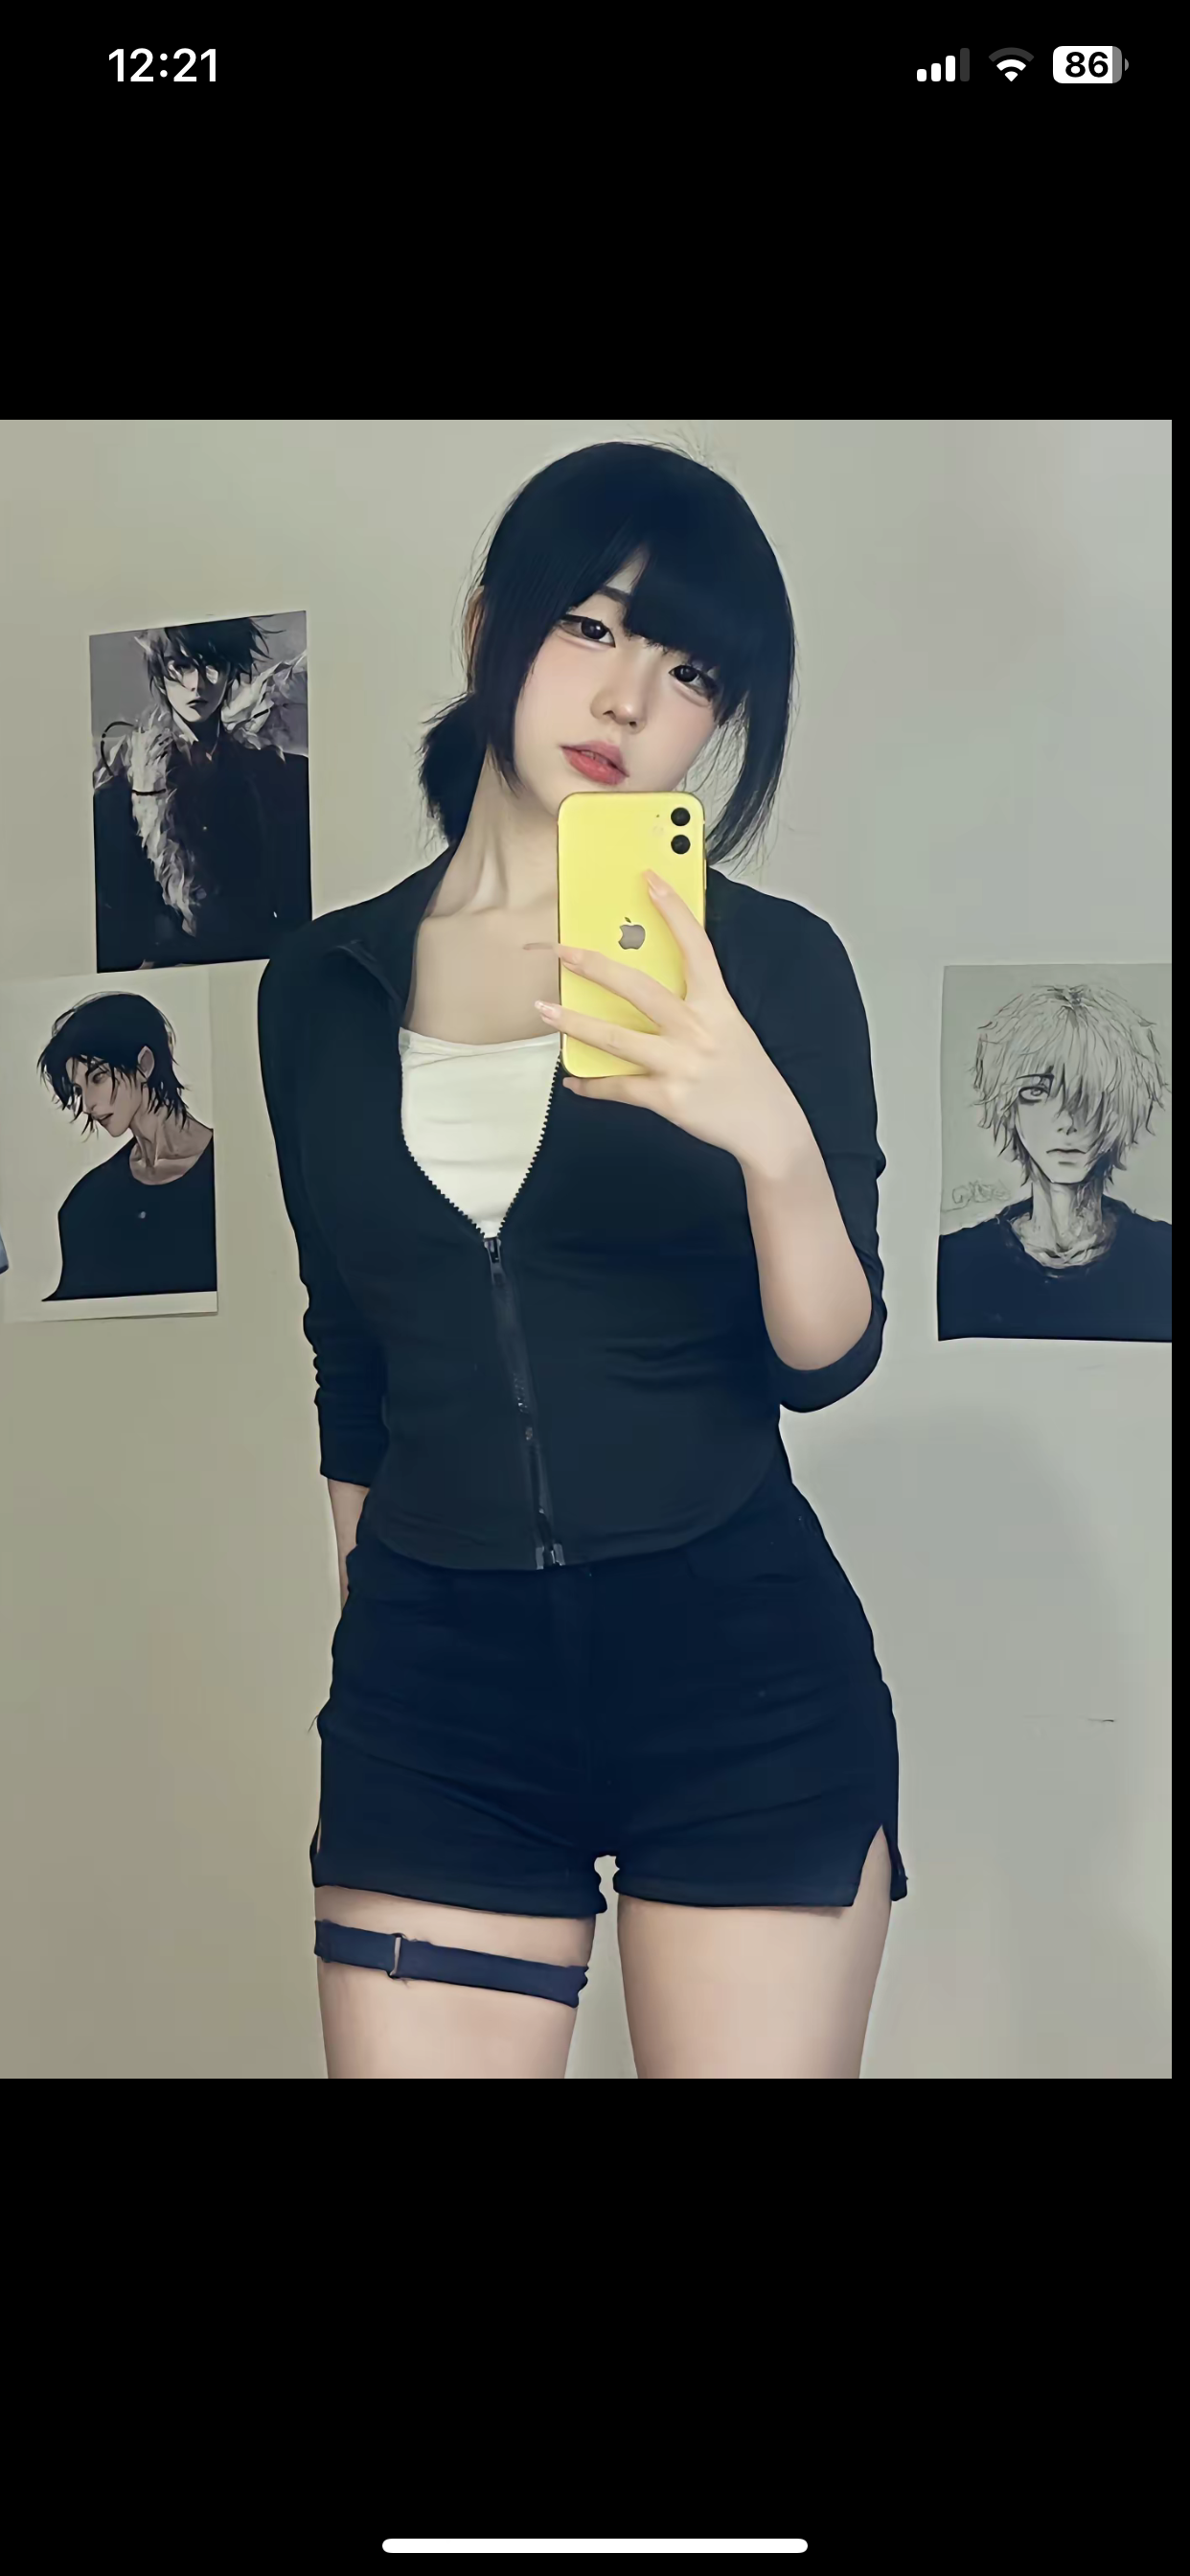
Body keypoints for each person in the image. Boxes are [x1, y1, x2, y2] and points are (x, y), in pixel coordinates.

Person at [258, 440, 906, 2082]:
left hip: (739, 1678)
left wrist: (766, 1137)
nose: (628, 700)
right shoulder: (320, 987)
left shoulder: (769, 967)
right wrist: (376, 1641)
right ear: (493, 626)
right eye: (594, 628)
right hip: (437, 1699)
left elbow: (826, 1356)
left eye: (691, 673)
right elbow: (352, 1354)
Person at [938, 981, 1171, 1343]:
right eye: (1037, 1091)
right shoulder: (956, 1260)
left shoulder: (1163, 1256)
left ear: (1123, 1108)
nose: (1066, 1121)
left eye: (1088, 1093)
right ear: (1009, 1108)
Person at [93, 618, 310, 970]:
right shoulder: (120, 793)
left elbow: (296, 903)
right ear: (160, 671)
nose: (197, 684)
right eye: (181, 666)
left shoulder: (277, 776)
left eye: (213, 665)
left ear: (230, 672)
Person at [37, 991, 216, 1300]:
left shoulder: (232, 1170)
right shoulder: (85, 1205)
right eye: (79, 1090)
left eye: (98, 1077)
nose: (89, 1104)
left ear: (145, 1063)